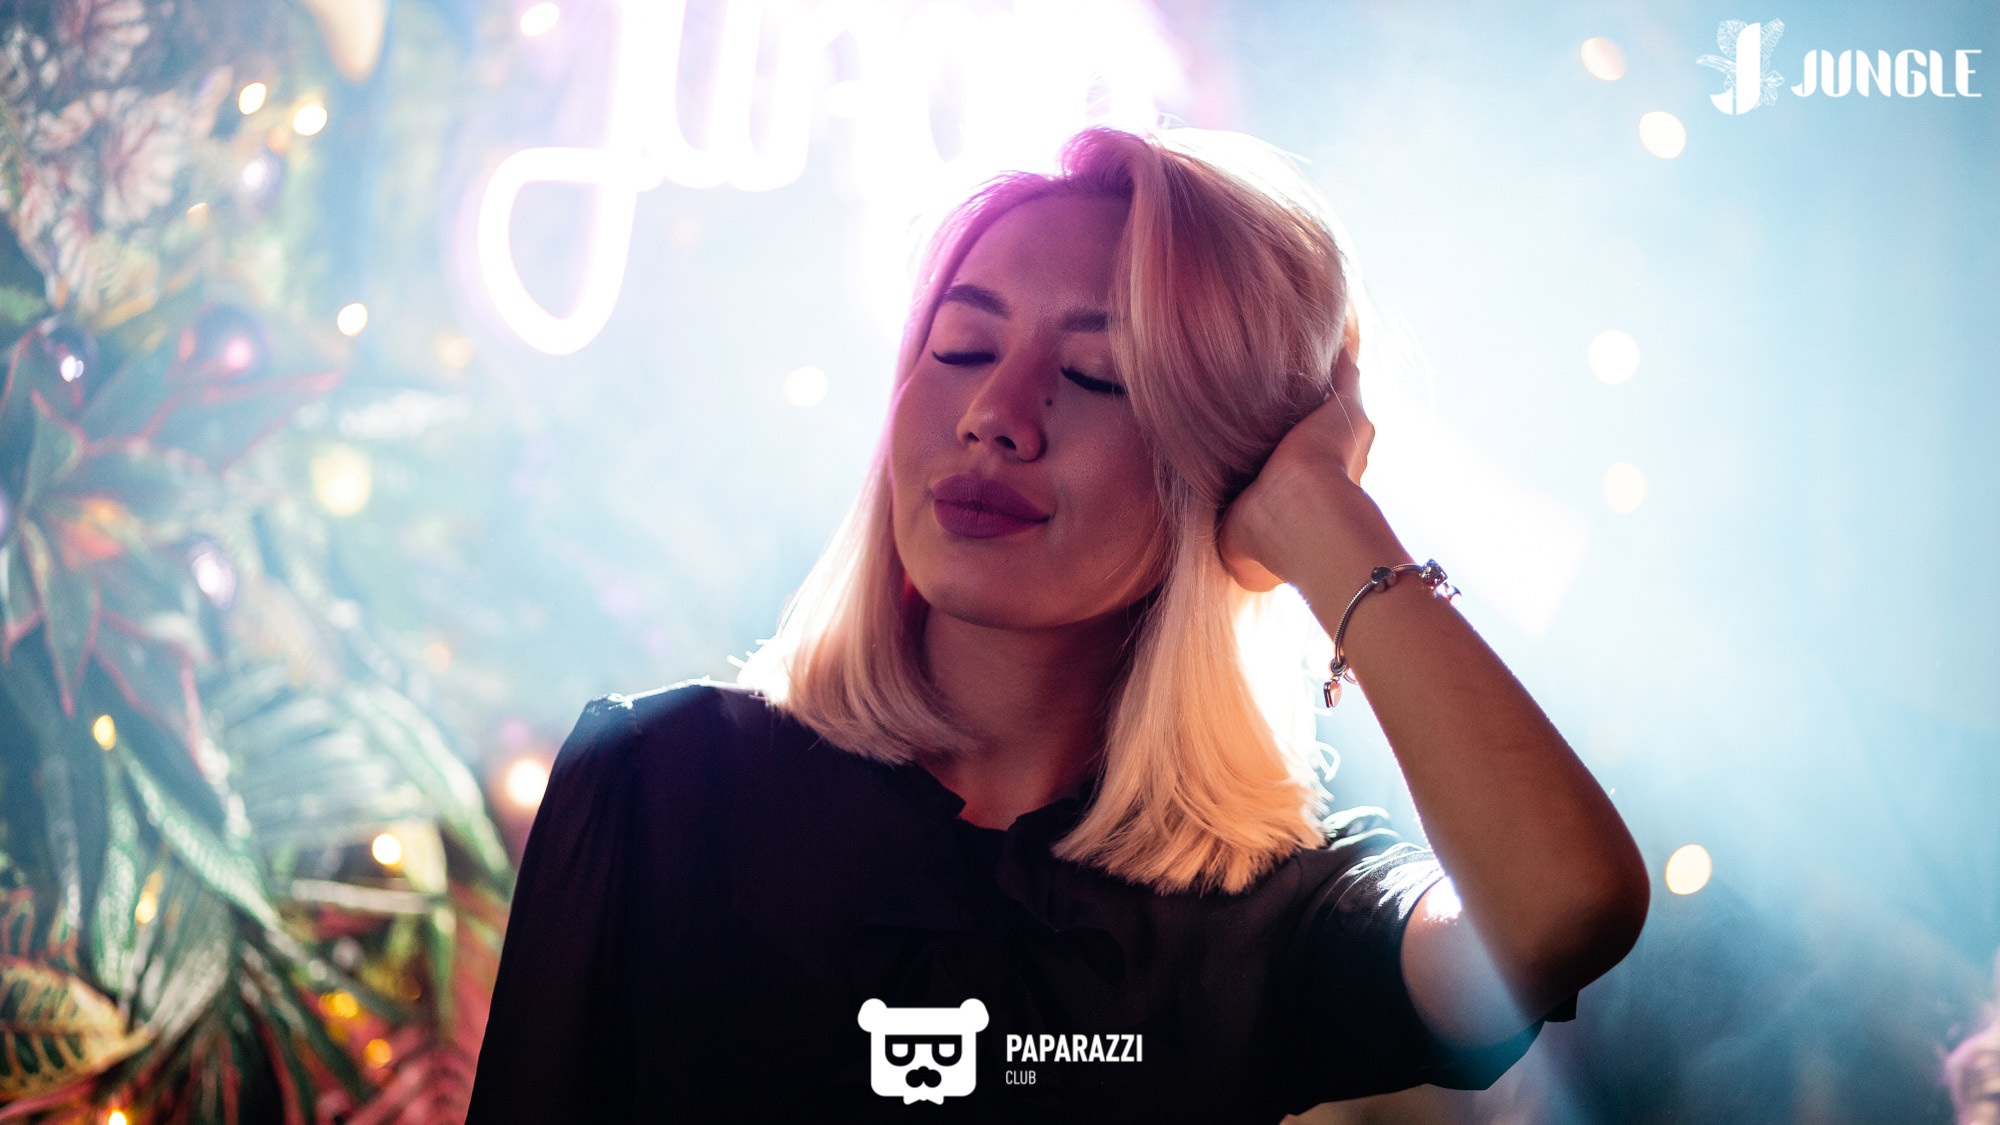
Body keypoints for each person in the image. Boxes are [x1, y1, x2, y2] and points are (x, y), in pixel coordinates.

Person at [463, 126, 1649, 1123]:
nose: (993, 412)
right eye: (961, 346)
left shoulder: (1275, 917)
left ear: (1222, 473)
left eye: (1096, 375)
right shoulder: (657, 781)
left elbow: (1563, 908)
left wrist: (1319, 516)